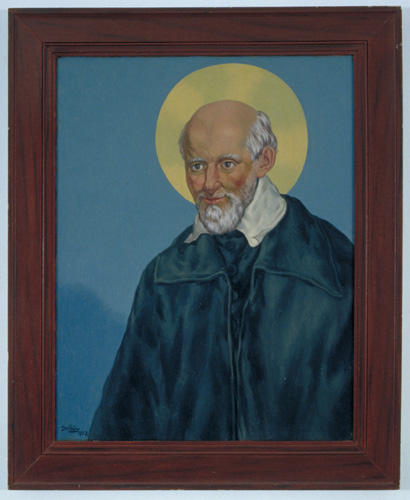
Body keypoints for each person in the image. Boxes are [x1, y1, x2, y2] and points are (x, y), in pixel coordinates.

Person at [89, 100, 353, 441]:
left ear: (264, 161)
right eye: (197, 166)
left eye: (227, 164)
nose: (209, 183)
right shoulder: (163, 277)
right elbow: (120, 426)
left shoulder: (335, 266)